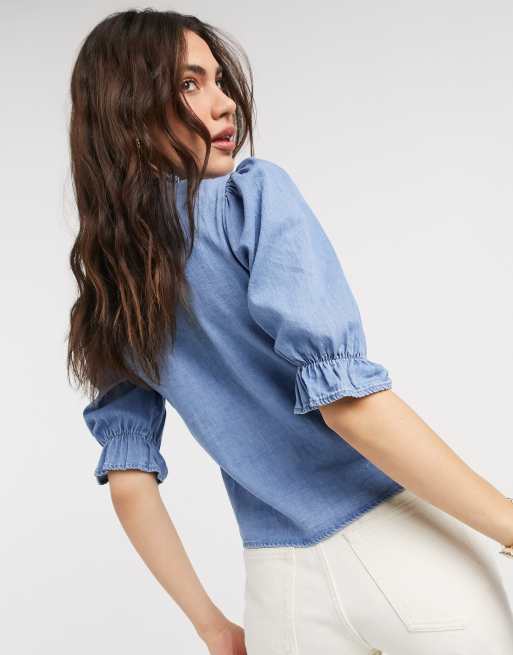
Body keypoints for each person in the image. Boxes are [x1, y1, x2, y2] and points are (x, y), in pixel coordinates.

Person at [66, 9, 513, 655]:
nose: (224, 103)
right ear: (125, 108)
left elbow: (130, 483)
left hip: (280, 593)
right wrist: (508, 522)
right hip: (402, 551)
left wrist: (211, 625)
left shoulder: (109, 293)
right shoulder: (250, 198)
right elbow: (349, 405)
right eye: (189, 83)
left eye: (219, 80)